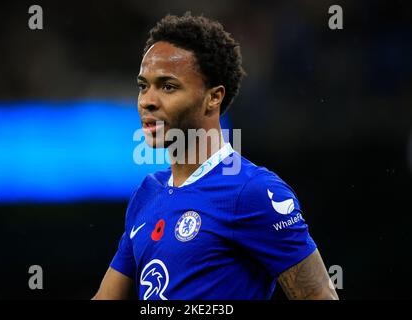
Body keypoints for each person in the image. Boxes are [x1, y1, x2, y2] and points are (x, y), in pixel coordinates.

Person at [93, 13, 338, 300]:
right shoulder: (147, 193)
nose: (148, 100)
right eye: (143, 86)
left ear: (213, 97)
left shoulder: (252, 191)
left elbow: (318, 296)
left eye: (168, 86)